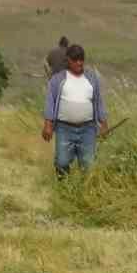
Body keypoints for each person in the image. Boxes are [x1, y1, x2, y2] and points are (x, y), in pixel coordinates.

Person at [42, 44, 109, 178]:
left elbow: (98, 101)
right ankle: (63, 187)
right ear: (68, 60)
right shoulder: (58, 79)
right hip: (64, 129)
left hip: (88, 129)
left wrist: (104, 124)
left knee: (88, 164)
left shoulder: (91, 79)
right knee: (62, 162)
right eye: (75, 59)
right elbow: (50, 102)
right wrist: (48, 125)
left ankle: (84, 192)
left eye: (81, 59)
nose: (79, 62)